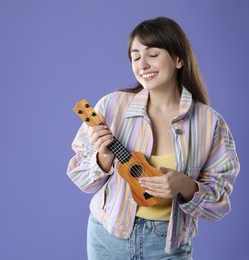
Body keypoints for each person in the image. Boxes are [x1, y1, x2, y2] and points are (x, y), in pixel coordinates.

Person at [67, 16, 240, 259]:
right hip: (107, 236)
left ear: (179, 59)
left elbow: (219, 202)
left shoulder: (209, 123)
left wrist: (184, 185)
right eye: (135, 57)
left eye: (153, 54)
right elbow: (81, 179)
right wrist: (103, 157)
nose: (142, 64)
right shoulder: (111, 107)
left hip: (167, 245)